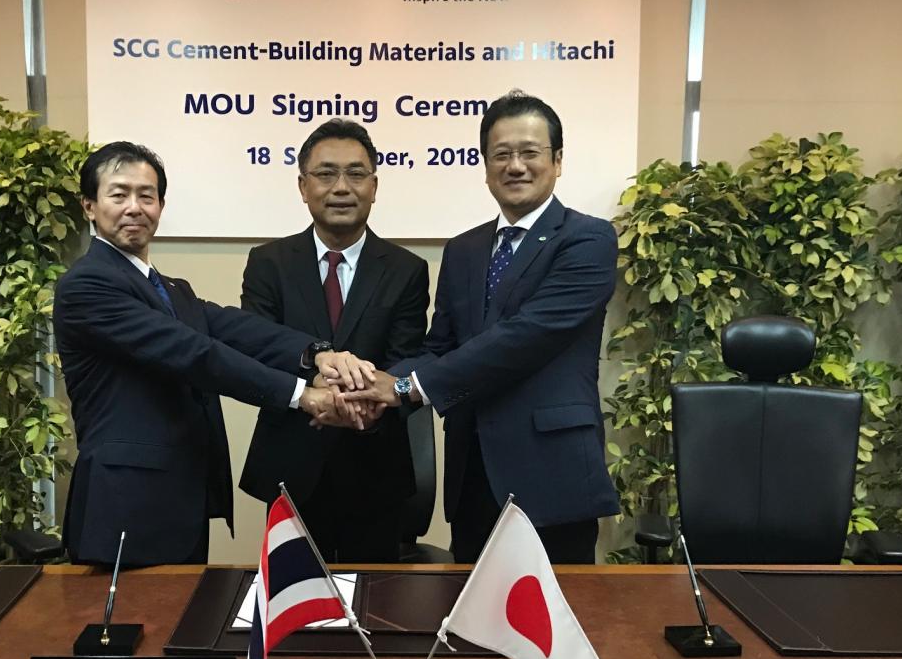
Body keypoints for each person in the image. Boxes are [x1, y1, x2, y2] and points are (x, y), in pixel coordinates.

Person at [54, 141, 372, 567]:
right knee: (133, 612)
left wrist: (317, 355)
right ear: (89, 206)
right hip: (125, 503)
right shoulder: (87, 286)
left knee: (186, 609)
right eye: (119, 194)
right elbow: (196, 354)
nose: (134, 207)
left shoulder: (170, 289)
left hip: (181, 497)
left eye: (146, 196)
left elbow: (236, 329)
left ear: (161, 206)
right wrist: (302, 395)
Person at [344, 91, 619, 563]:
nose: (516, 166)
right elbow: (440, 346)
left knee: (556, 607)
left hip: (552, 476)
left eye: (530, 152)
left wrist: (406, 387)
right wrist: (367, 386)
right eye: (501, 154)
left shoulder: (587, 239)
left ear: (557, 161)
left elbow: (524, 338)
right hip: (473, 476)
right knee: (469, 605)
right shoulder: (464, 249)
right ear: (485, 164)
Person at [237, 119, 430, 563]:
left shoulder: (406, 269)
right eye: (326, 174)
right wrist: (315, 393)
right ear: (303, 186)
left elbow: (406, 358)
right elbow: (257, 349)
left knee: (375, 598)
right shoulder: (268, 263)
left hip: (376, 469)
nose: (341, 187)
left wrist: (359, 407)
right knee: (292, 598)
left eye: (356, 174)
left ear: (374, 187)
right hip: (291, 467)